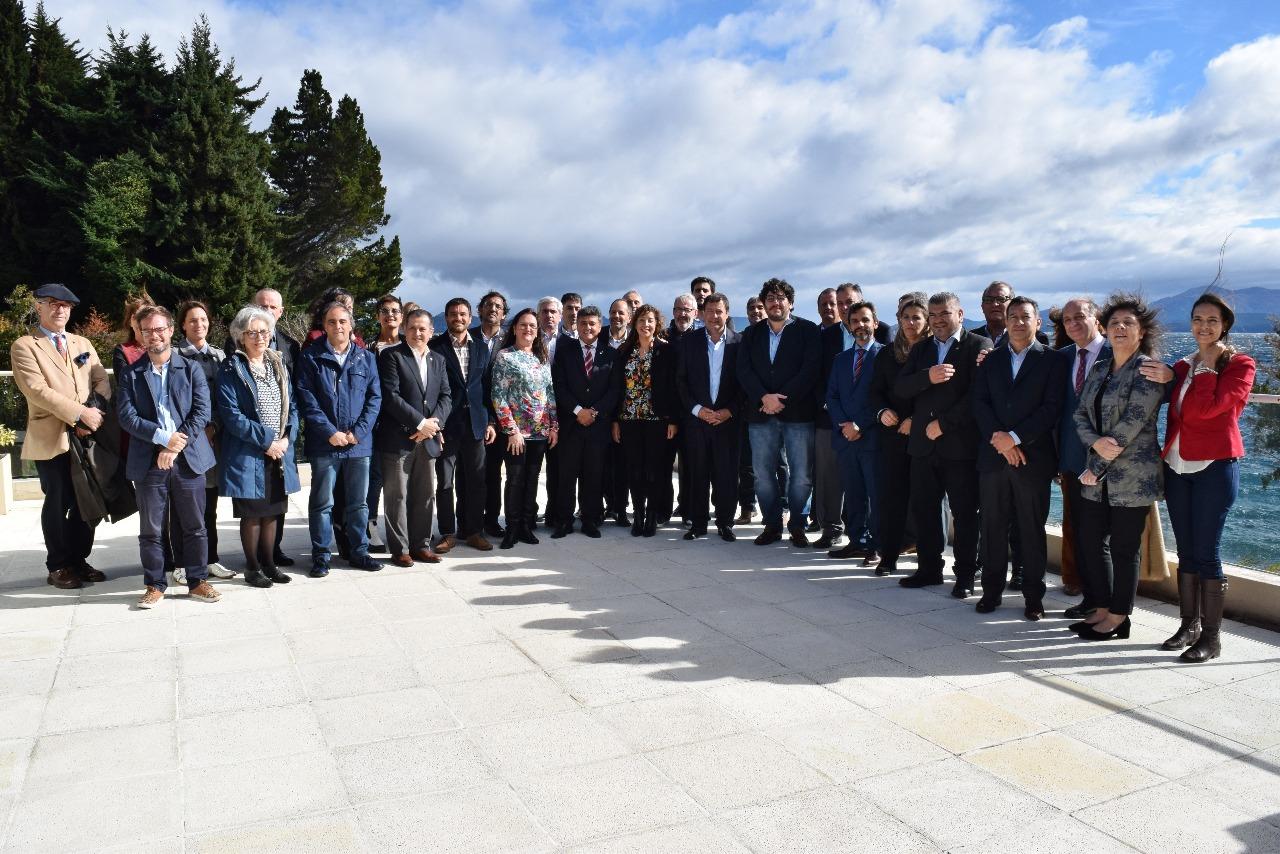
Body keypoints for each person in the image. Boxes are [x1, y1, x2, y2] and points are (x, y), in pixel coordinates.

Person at [1160, 292, 1256, 662]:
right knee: (1185, 551)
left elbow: (1207, 410)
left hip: (1215, 466)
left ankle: (1211, 638)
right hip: (1176, 465)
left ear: (1225, 325)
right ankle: (1188, 627)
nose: (1204, 326)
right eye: (1198, 319)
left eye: (1212, 320)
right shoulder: (1182, 365)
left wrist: (1207, 368)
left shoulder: (1240, 364)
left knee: (1207, 552)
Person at [1072, 293, 1169, 641]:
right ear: (1104, 329)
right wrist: (1094, 444)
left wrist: (1096, 462)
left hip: (1133, 478)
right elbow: (1080, 414)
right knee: (1090, 540)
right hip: (1096, 474)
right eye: (1114, 323)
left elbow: (1133, 423)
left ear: (1141, 332)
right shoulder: (1099, 369)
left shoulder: (1148, 371)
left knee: (1126, 548)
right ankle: (1099, 607)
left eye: (1128, 323)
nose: (1120, 328)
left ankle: (1119, 616)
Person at [116, 305, 220, 608]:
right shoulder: (130, 374)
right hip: (148, 463)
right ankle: (155, 583)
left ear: (171, 330)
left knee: (195, 525)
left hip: (188, 460)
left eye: (160, 328)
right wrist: (163, 439)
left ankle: (197, 580)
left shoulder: (190, 368)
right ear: (140, 334)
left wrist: (173, 447)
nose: (154, 335)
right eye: (147, 330)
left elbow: (202, 412)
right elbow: (126, 416)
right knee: (151, 529)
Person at [10, 284, 112, 589]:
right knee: (59, 500)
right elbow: (37, 390)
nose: (60, 309)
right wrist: (79, 414)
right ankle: (58, 565)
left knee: (88, 500)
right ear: (39, 307)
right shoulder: (25, 345)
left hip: (86, 435)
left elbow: (101, 379)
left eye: (66, 305)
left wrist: (92, 415)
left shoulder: (82, 343)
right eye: (53, 303)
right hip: (51, 436)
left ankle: (79, 560)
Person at [972, 296, 1064, 620]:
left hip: (1032, 459)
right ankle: (991, 592)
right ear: (1006, 321)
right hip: (993, 458)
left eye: (1026, 317)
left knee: (1031, 530)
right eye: (1013, 316)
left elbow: (1051, 409)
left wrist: (1014, 438)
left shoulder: (1052, 361)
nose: (1018, 322)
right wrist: (1000, 440)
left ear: (1037, 322)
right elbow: (979, 404)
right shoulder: (990, 361)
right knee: (992, 527)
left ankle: (1033, 598)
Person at [894, 292, 993, 596]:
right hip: (924, 447)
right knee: (924, 510)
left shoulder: (979, 346)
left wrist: (944, 425)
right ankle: (928, 569)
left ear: (960, 314)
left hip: (960, 447)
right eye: (933, 315)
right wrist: (928, 377)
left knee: (964, 514)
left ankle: (964, 576)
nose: (937, 320)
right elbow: (901, 388)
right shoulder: (921, 349)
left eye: (944, 314)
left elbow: (977, 396)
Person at [296, 302, 383, 577]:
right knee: (323, 503)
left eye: (343, 321)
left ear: (351, 325)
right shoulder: (310, 357)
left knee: (359, 503)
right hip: (325, 444)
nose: (338, 327)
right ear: (324, 326)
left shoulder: (365, 358)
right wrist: (329, 432)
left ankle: (359, 552)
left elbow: (374, 398)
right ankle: (321, 556)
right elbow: (307, 400)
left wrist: (358, 432)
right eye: (332, 322)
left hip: (359, 445)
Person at [217, 305, 300, 589]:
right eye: (252, 332)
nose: (259, 337)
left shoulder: (278, 364)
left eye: (264, 331)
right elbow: (231, 416)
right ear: (240, 336)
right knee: (253, 514)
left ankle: (269, 564)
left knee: (273, 512)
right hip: (249, 453)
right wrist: (268, 442)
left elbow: (293, 407)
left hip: (279, 452)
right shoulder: (231, 368)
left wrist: (287, 439)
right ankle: (252, 568)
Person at [737, 278, 821, 547]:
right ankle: (772, 524)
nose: (775, 302)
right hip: (760, 414)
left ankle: (797, 524)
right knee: (763, 474)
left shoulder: (808, 331)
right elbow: (744, 371)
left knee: (801, 474)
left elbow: (810, 370)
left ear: (791, 302)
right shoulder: (751, 334)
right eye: (770, 298)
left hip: (797, 413)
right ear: (764, 303)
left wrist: (781, 398)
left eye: (780, 297)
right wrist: (764, 397)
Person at [377, 308, 451, 565]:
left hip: (428, 438)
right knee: (397, 496)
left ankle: (421, 545)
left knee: (424, 494)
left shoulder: (438, 360)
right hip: (399, 438)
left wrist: (432, 426)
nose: (417, 333)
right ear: (404, 330)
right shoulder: (391, 356)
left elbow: (446, 397)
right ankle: (401, 549)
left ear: (431, 332)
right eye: (412, 328)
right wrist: (419, 423)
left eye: (423, 328)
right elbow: (390, 396)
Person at [863, 295, 928, 574]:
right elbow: (875, 392)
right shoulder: (888, 353)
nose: (911, 323)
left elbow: (942, 395)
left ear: (926, 320)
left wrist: (916, 419)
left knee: (926, 501)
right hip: (892, 436)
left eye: (917, 317)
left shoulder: (934, 352)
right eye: (906, 317)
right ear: (899, 320)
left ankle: (927, 560)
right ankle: (889, 557)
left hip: (927, 436)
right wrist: (882, 412)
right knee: (891, 499)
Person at [173, 300, 235, 582]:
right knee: (183, 503)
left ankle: (210, 558)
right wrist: (195, 431)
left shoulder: (220, 357)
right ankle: (182, 563)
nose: (199, 325)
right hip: (186, 439)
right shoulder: (175, 356)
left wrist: (214, 428)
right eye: (192, 320)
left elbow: (226, 399)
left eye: (203, 319)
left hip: (214, 439)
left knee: (209, 503)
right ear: (183, 325)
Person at [1055, 297, 1109, 619]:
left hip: (1107, 461)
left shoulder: (1116, 353)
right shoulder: (1061, 358)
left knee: (1103, 534)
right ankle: (1092, 598)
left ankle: (1109, 601)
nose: (1073, 324)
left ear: (1095, 318)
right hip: (1072, 460)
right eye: (1067, 320)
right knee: (1079, 530)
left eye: (1080, 317)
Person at [430, 298, 495, 552]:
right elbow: (432, 390)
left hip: (476, 424)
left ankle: (474, 531)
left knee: (476, 481)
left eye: (463, 314)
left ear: (470, 318)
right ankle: (447, 532)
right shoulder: (435, 347)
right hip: (447, 426)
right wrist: (436, 426)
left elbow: (487, 387)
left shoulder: (481, 348)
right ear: (446, 318)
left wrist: (490, 420)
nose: (458, 318)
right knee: (445, 482)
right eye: (453, 314)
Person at [675, 292, 742, 541]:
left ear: (727, 313)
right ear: (702, 315)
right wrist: (697, 410)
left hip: (728, 421)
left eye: (719, 311)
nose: (714, 316)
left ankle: (725, 523)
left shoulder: (739, 343)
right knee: (697, 473)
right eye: (710, 311)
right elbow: (680, 382)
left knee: (726, 475)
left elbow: (744, 385)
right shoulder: (689, 342)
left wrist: (729, 411)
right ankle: (698, 524)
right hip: (697, 420)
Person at [491, 308, 559, 548]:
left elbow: (550, 394)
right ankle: (511, 527)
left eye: (532, 325)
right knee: (515, 479)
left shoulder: (541, 358)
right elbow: (498, 396)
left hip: (540, 432)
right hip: (516, 435)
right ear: (515, 328)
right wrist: (511, 430)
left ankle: (526, 526)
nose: (528, 329)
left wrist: (554, 427)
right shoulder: (505, 356)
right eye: (523, 325)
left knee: (531, 480)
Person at [551, 305, 620, 538]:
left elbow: (614, 390)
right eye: (583, 323)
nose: (588, 328)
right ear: (576, 325)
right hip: (571, 424)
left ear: (600, 327)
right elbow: (558, 386)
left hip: (598, 426)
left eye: (592, 323)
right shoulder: (564, 351)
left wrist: (595, 412)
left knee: (594, 475)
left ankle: (590, 519)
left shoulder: (610, 354)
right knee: (567, 475)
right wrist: (578, 410)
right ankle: (564, 521)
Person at [613, 304, 679, 536]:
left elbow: (673, 388)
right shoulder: (624, 351)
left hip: (657, 419)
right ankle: (638, 516)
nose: (645, 325)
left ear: (657, 324)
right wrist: (615, 421)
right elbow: (616, 389)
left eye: (650, 320)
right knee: (635, 469)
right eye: (641, 320)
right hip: (629, 418)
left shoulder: (667, 351)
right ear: (634, 323)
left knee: (655, 470)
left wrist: (672, 419)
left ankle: (652, 515)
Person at [825, 301, 883, 566]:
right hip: (846, 439)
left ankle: (876, 545)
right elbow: (832, 397)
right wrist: (845, 425)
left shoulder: (885, 356)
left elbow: (884, 398)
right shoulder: (840, 359)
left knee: (876, 494)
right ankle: (856, 540)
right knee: (854, 494)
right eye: (855, 321)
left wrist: (859, 424)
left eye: (865, 320)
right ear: (848, 326)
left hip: (872, 439)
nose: (861, 325)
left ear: (875, 323)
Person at [475, 290, 509, 538]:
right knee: (472, 473)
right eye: (488, 305)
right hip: (474, 415)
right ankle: (469, 521)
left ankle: (492, 520)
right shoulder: (469, 338)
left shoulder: (509, 342)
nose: (493, 309)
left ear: (504, 314)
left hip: (500, 418)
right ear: (480, 311)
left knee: (494, 473)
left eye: (498, 306)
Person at [603, 298, 633, 525]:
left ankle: (621, 508)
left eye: (621, 313)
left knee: (623, 463)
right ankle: (607, 505)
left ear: (629, 317)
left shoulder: (635, 339)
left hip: (626, 411)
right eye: (613, 312)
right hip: (600, 409)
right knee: (602, 464)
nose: (616, 316)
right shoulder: (599, 336)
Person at [537, 296, 566, 528]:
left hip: (563, 414)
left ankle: (555, 513)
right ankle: (528, 514)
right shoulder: (530, 340)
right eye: (545, 312)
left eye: (553, 312)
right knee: (531, 469)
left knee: (558, 469)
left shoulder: (570, 342)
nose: (549, 316)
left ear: (560, 315)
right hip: (534, 415)